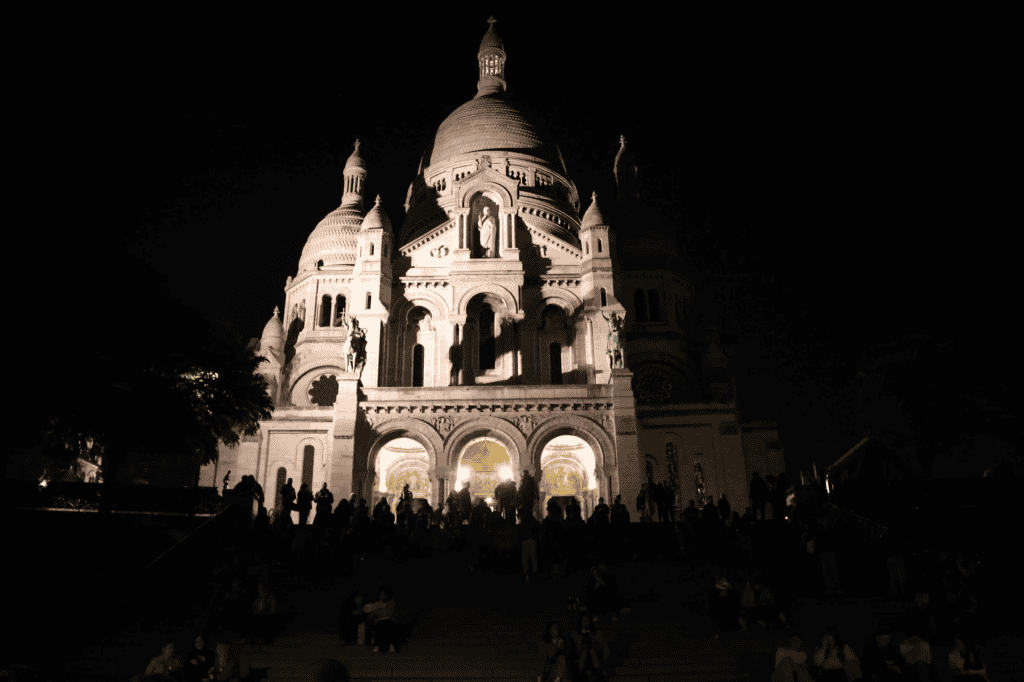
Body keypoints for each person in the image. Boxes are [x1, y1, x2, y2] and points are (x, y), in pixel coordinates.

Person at [571, 611, 610, 681]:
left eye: (587, 620)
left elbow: (601, 647)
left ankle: (598, 671)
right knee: (586, 650)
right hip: (581, 658)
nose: (586, 622)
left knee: (590, 649)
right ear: (581, 621)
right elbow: (575, 650)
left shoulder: (595, 634)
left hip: (594, 658)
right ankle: (581, 673)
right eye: (584, 620)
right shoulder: (576, 635)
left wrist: (592, 638)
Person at [362, 584, 398, 653]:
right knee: (381, 624)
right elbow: (367, 610)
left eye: (384, 595)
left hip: (389, 622)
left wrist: (378, 609)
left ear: (388, 595)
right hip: (379, 622)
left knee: (387, 624)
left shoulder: (392, 602)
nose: (382, 597)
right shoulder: (376, 604)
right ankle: (377, 645)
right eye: (381, 595)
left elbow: (388, 612)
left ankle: (390, 645)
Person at [521, 507, 540, 583]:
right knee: (533, 559)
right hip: (532, 540)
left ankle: (527, 575)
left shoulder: (524, 521)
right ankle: (534, 575)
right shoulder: (533, 520)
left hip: (526, 541)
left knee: (526, 559)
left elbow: (522, 531)